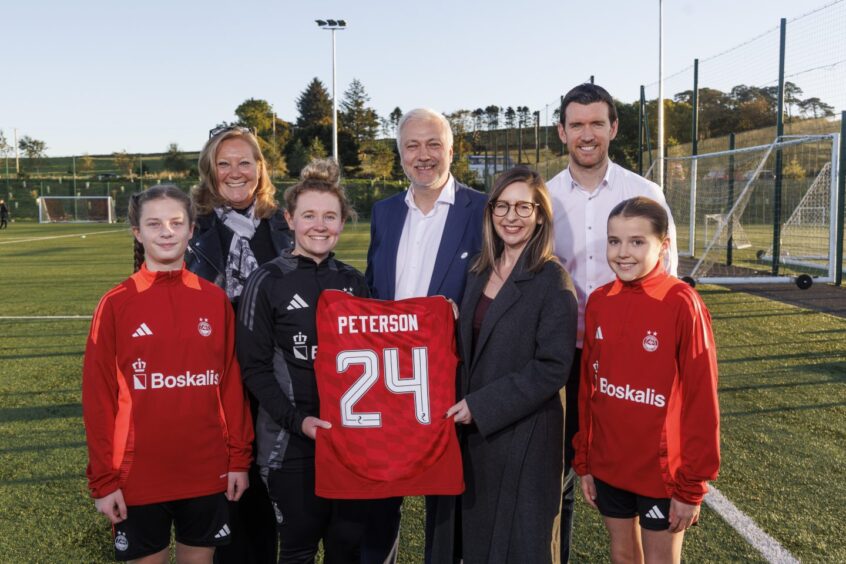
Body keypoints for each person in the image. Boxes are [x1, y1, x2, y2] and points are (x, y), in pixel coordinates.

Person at [82, 185, 253, 564]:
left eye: (176, 222)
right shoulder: (115, 304)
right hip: (138, 476)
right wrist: (104, 481)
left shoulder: (214, 300)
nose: (166, 231)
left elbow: (229, 385)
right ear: (137, 233)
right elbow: (98, 399)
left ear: (191, 229)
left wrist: (238, 459)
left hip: (206, 469)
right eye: (154, 223)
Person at [546, 82, 679, 563]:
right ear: (562, 131)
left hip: (628, 363)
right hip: (560, 358)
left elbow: (669, 282)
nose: (587, 134)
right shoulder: (543, 198)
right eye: (576, 124)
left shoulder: (644, 193)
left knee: (631, 480)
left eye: (596, 123)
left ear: (613, 128)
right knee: (558, 476)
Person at [363, 107, 488, 564]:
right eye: (412, 146)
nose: (423, 155)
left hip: (449, 381)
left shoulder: (482, 210)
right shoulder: (384, 213)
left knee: (446, 506)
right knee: (380, 504)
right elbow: (374, 289)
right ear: (400, 156)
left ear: (451, 150)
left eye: (433, 144)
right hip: (387, 381)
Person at [438, 167, 577, 563]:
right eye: (502, 205)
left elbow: (552, 367)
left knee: (520, 546)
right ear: (490, 211)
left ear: (539, 215)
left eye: (522, 207)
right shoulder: (479, 269)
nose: (511, 216)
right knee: (477, 543)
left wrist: (481, 406)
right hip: (476, 433)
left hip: (524, 435)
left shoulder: (553, 279)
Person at [236, 159, 373, 563]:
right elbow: (255, 370)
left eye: (330, 216)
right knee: (297, 550)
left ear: (342, 223)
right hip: (290, 444)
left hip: (349, 443)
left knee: (346, 547)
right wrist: (300, 422)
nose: (320, 225)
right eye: (309, 215)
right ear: (289, 220)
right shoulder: (267, 280)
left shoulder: (354, 281)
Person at [573, 196, 720, 563]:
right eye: (614, 241)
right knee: (623, 555)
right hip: (608, 465)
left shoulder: (682, 303)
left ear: (663, 245)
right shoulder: (599, 301)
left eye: (637, 242)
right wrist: (586, 461)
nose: (623, 253)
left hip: (661, 474)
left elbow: (703, 402)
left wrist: (692, 487)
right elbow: (589, 390)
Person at [187, 125, 292, 563]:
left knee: (265, 494)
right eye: (223, 163)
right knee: (220, 498)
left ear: (260, 168)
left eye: (244, 162)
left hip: (271, 378)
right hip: (213, 380)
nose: (235, 172)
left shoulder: (282, 224)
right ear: (210, 170)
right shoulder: (189, 224)